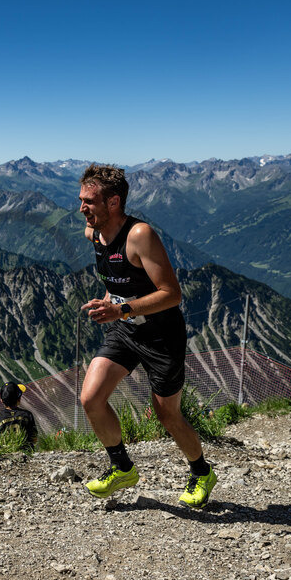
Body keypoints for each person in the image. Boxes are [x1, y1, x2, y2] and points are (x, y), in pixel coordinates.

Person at [77, 164, 217, 507]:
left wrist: (121, 309)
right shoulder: (93, 234)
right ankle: (122, 467)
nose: (82, 209)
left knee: (167, 415)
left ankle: (201, 472)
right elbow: (118, 278)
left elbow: (172, 293)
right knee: (90, 398)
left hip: (161, 336)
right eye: (81, 200)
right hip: (125, 329)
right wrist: (110, 302)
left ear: (113, 203)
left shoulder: (140, 235)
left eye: (89, 202)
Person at [0, 381, 38, 446]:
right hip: (27, 450)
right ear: (19, 399)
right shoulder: (27, 415)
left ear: (1, 400)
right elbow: (34, 439)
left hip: (6, 451)